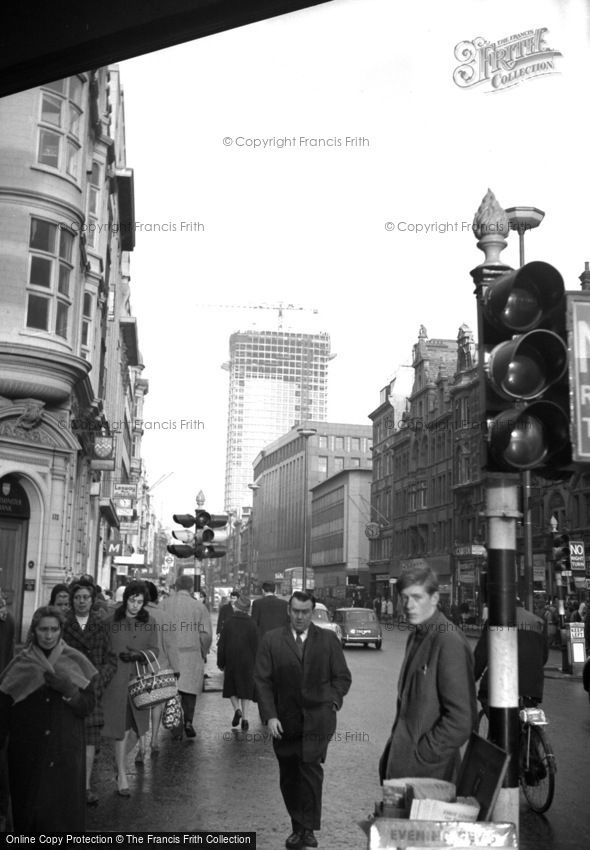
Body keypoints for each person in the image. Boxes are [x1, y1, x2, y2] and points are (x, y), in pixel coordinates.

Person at [254, 591, 351, 850]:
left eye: (305, 612)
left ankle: (306, 831)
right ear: (289, 611)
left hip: (318, 722)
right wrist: (270, 715)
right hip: (284, 723)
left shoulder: (328, 640)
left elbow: (342, 677)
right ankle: (298, 825)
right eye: (295, 611)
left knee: (310, 773)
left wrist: (332, 702)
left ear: (312, 612)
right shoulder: (272, 640)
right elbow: (262, 681)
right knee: (289, 776)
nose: (299, 616)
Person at [0, 605, 97, 832]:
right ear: (34, 631)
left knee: (62, 822)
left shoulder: (76, 661)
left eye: (54, 629)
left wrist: (70, 690)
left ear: (60, 631)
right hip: (26, 757)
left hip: (64, 754)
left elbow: (87, 707)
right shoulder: (20, 664)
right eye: (43, 629)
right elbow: (3, 713)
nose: (49, 635)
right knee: (28, 818)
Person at [379, 565, 476, 783]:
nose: (409, 605)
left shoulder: (447, 640)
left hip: (430, 778)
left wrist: (422, 754)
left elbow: (461, 720)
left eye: (417, 597)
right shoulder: (417, 635)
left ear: (434, 598)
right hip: (405, 772)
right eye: (404, 598)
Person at [101, 581, 159, 796]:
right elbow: (102, 651)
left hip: (139, 683)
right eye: (132, 600)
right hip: (116, 683)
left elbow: (155, 651)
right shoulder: (110, 622)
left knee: (137, 729)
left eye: (140, 602)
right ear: (126, 599)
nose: (135, 605)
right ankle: (122, 775)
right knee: (121, 729)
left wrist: (139, 655)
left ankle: (120, 763)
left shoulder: (150, 622)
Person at [62, 581, 117, 805]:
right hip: (68, 688)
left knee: (90, 741)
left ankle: (84, 788)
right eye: (77, 597)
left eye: (85, 597)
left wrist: (98, 681)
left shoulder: (101, 625)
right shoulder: (63, 624)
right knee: (68, 739)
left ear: (92, 600)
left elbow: (110, 659)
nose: (81, 601)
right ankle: (67, 786)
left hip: (92, 690)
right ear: (72, 600)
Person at [474, 597, 549, 709]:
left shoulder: (495, 620)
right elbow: (543, 656)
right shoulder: (538, 621)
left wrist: (472, 677)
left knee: (485, 697)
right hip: (533, 687)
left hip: (501, 684)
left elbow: (481, 656)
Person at [162, 575, 212, 738]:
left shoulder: (164, 605)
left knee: (171, 692)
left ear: (175, 587)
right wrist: (203, 652)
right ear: (191, 589)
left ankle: (175, 722)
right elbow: (205, 635)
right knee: (190, 692)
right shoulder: (199, 607)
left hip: (169, 656)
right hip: (191, 655)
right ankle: (189, 721)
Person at [141, 580, 180, 755]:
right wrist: (176, 668)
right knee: (157, 704)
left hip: (138, 667)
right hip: (160, 666)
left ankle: (140, 746)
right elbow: (171, 645)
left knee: (139, 707)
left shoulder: (134, 614)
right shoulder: (165, 617)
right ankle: (154, 738)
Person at [217, 594, 258, 731]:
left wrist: (220, 662)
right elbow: (256, 645)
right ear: (247, 610)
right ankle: (245, 718)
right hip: (248, 662)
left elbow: (221, 644)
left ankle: (237, 710)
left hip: (231, 660)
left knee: (232, 688)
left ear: (237, 607)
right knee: (246, 690)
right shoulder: (252, 624)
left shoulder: (228, 623)